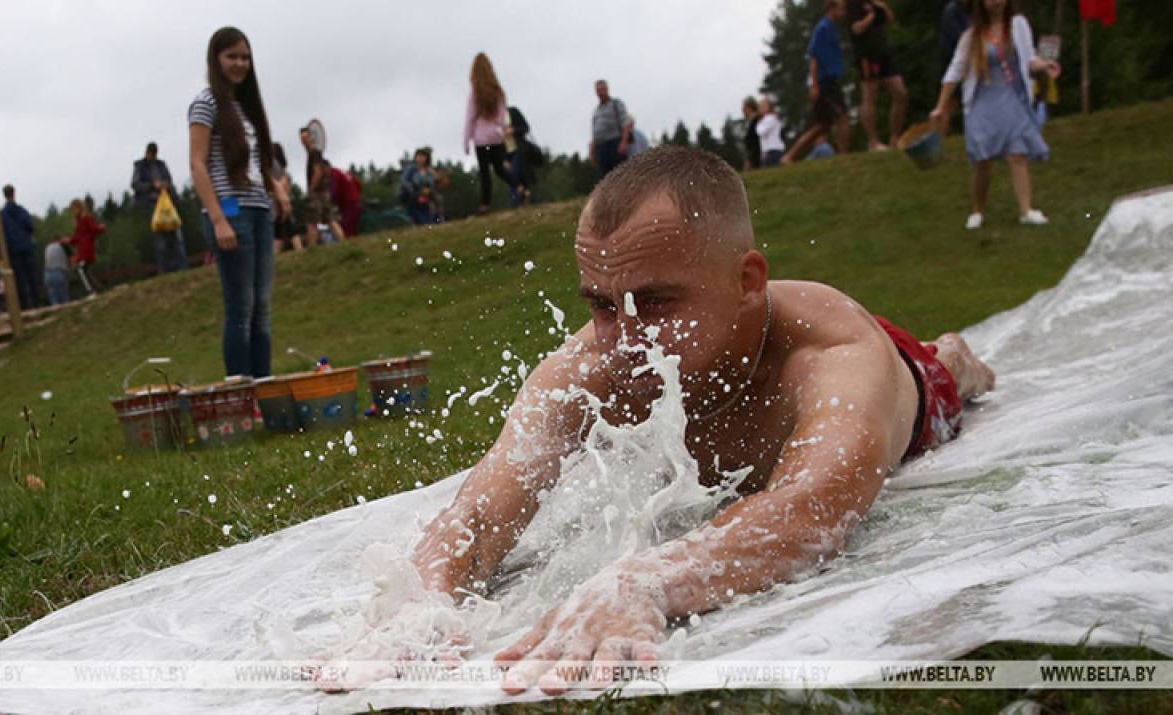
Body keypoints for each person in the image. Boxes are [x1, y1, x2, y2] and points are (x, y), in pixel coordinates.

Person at [318, 146, 997, 694]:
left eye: (658, 303)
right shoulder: (588, 365)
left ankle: (951, 357)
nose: (623, 339)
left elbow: (814, 505)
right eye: (603, 304)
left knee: (944, 373)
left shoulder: (831, 355)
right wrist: (425, 601)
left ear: (749, 280)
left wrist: (645, 578)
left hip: (906, 382)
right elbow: (483, 511)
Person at [189, 26, 291, 379]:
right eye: (232, 56)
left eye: (245, 57)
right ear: (216, 59)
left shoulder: (247, 107)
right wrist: (218, 219)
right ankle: (240, 389)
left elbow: (257, 161)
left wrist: (276, 189)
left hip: (259, 209)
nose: (239, 64)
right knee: (241, 306)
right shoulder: (206, 104)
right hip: (230, 210)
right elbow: (197, 163)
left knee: (261, 306)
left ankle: (264, 386)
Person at [931, 0, 1060, 230]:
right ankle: (978, 210)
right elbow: (956, 70)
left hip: (1011, 98)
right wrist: (941, 106)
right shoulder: (971, 36)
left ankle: (1026, 210)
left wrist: (1044, 66)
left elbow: (1029, 59)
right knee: (983, 159)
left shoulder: (1018, 26)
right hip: (983, 100)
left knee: (1017, 154)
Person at [782, 0, 851, 164]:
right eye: (841, 9)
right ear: (832, 8)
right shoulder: (823, 28)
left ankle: (789, 156)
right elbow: (813, 57)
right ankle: (844, 155)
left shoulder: (831, 28)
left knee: (822, 125)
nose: (844, 13)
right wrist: (814, 85)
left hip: (828, 80)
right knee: (842, 116)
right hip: (824, 81)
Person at [848, 0, 908, 150]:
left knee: (901, 93)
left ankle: (895, 138)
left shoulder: (873, 3)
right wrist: (871, 15)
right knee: (870, 97)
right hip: (867, 56)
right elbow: (856, 29)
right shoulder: (852, 4)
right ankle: (873, 142)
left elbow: (889, 19)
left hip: (883, 53)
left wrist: (883, 7)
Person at [464, 53, 519, 213]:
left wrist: (466, 141)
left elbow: (470, 118)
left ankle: (485, 204)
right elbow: (502, 115)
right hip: (496, 137)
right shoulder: (498, 91)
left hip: (481, 139)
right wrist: (498, 129)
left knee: (484, 172)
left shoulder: (475, 92)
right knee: (500, 169)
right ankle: (520, 185)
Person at [132, 142, 187, 274]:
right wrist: (152, 185)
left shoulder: (161, 164)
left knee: (176, 234)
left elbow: (169, 180)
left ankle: (183, 267)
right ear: (147, 152)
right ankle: (164, 269)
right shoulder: (140, 166)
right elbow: (135, 184)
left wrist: (165, 185)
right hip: (152, 205)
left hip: (167, 203)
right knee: (160, 239)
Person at [0, 185, 40, 309]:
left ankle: (24, 304)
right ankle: (36, 301)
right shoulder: (21, 210)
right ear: (13, 193)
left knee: (19, 277)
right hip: (25, 246)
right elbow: (30, 226)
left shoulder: (2, 214)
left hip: (12, 249)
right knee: (31, 275)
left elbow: (1, 232)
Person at [938, 0, 972, 136]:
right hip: (954, 60)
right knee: (950, 101)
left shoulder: (971, 10)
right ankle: (941, 134)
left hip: (967, 59)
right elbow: (960, 39)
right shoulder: (951, 11)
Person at [589, 79, 634, 180]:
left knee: (620, 175)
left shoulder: (616, 104)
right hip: (601, 147)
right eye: (598, 90)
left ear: (607, 89)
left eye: (602, 89)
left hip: (615, 143)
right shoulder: (596, 111)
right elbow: (594, 133)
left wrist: (623, 142)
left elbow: (625, 123)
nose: (600, 92)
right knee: (605, 177)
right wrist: (592, 151)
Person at [270, 143, 306, 253]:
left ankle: (299, 250)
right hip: (284, 203)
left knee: (289, 230)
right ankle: (277, 255)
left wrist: (278, 200)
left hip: (279, 204)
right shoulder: (284, 170)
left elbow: (279, 186)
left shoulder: (274, 168)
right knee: (281, 232)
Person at [69, 199, 106, 294]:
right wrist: (69, 240)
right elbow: (77, 237)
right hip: (82, 250)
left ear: (79, 208)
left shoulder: (86, 218)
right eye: (72, 210)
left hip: (87, 249)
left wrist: (101, 228)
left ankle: (91, 291)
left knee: (81, 269)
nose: (73, 212)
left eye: (74, 209)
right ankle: (98, 288)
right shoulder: (78, 222)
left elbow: (94, 228)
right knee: (84, 270)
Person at [399, 147, 442, 226]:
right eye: (418, 156)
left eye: (422, 157)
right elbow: (404, 181)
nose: (420, 159)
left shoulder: (429, 171)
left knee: (435, 202)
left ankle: (435, 222)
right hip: (412, 195)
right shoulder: (411, 169)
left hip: (426, 195)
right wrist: (415, 193)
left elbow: (432, 184)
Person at [43, 235, 74, 306]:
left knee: (54, 302)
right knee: (65, 301)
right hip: (59, 274)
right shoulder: (63, 246)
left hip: (47, 275)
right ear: (60, 239)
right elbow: (72, 260)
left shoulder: (48, 247)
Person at [756, 98, 786, 167]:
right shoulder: (771, 118)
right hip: (772, 150)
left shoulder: (770, 118)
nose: (761, 108)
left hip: (773, 150)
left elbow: (761, 132)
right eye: (760, 106)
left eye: (763, 106)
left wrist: (758, 124)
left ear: (770, 107)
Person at [741, 97, 762, 170]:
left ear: (749, 107)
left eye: (743, 107)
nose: (742, 110)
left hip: (757, 158)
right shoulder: (751, 122)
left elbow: (756, 142)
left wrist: (750, 159)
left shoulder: (757, 121)